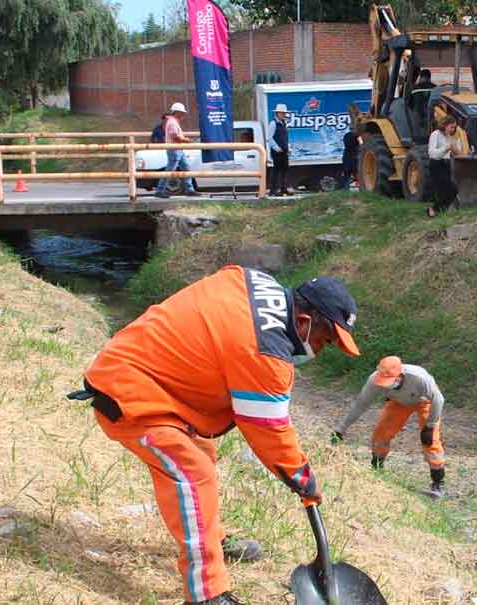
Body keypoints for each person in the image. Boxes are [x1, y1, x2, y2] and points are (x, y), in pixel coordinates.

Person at [69, 269, 361, 605]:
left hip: (158, 378)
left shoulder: (251, 279)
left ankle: (211, 538)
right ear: (304, 319)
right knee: (193, 475)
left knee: (201, 452)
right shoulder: (267, 352)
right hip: (129, 391)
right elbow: (270, 432)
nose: (322, 350)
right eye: (326, 340)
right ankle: (207, 594)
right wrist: (303, 478)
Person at [330, 356, 448, 499]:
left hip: (425, 402)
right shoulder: (374, 381)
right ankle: (376, 471)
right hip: (398, 402)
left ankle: (438, 483)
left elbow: (438, 399)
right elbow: (361, 404)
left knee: (431, 441)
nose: (385, 385)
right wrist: (341, 429)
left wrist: (430, 426)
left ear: (400, 375)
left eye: (389, 382)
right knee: (381, 434)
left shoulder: (419, 377)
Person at [156, 102, 200, 199]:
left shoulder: (172, 121)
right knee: (170, 171)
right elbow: (175, 137)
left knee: (186, 169)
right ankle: (160, 190)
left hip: (177, 149)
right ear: (178, 112)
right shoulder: (172, 122)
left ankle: (190, 189)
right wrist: (187, 140)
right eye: (182, 113)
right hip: (174, 149)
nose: (183, 115)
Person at [426, 115, 461, 217]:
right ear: (445, 125)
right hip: (436, 165)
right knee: (449, 190)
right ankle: (434, 209)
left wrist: (456, 147)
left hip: (446, 164)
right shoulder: (435, 135)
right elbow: (432, 153)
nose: (453, 129)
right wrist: (446, 148)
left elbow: (457, 152)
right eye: (452, 127)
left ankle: (437, 210)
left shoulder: (450, 136)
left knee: (451, 190)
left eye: (454, 127)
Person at [266, 103, 291, 196]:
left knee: (285, 170)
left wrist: (288, 148)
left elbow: (285, 137)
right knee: (276, 170)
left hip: (284, 150)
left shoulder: (284, 123)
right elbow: (270, 137)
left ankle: (283, 189)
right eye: (282, 113)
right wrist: (277, 148)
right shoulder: (273, 123)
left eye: (284, 113)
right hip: (277, 151)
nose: (283, 115)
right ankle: (273, 190)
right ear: (277, 113)